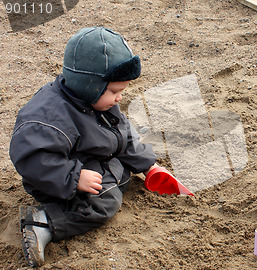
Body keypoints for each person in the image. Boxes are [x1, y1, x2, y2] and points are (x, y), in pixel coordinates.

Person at [10, 26, 164, 267]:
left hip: (88, 160)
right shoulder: (48, 118)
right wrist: (74, 177)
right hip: (56, 178)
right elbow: (33, 160)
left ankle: (103, 180)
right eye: (114, 91)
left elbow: (121, 133)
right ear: (89, 84)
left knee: (122, 172)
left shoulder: (97, 101)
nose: (119, 98)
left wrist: (149, 165)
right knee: (106, 201)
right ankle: (43, 221)